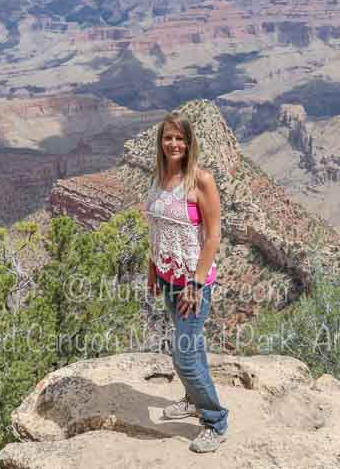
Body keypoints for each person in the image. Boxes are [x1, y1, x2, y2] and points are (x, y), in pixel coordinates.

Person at [145, 111, 229, 453]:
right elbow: (157, 228)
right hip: (166, 278)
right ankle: (192, 400)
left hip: (192, 285)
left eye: (180, 138)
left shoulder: (201, 181)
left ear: (189, 142)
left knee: (183, 356)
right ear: (161, 143)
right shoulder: (159, 177)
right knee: (190, 348)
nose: (174, 143)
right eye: (168, 138)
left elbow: (213, 237)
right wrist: (153, 267)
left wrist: (195, 284)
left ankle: (215, 420)